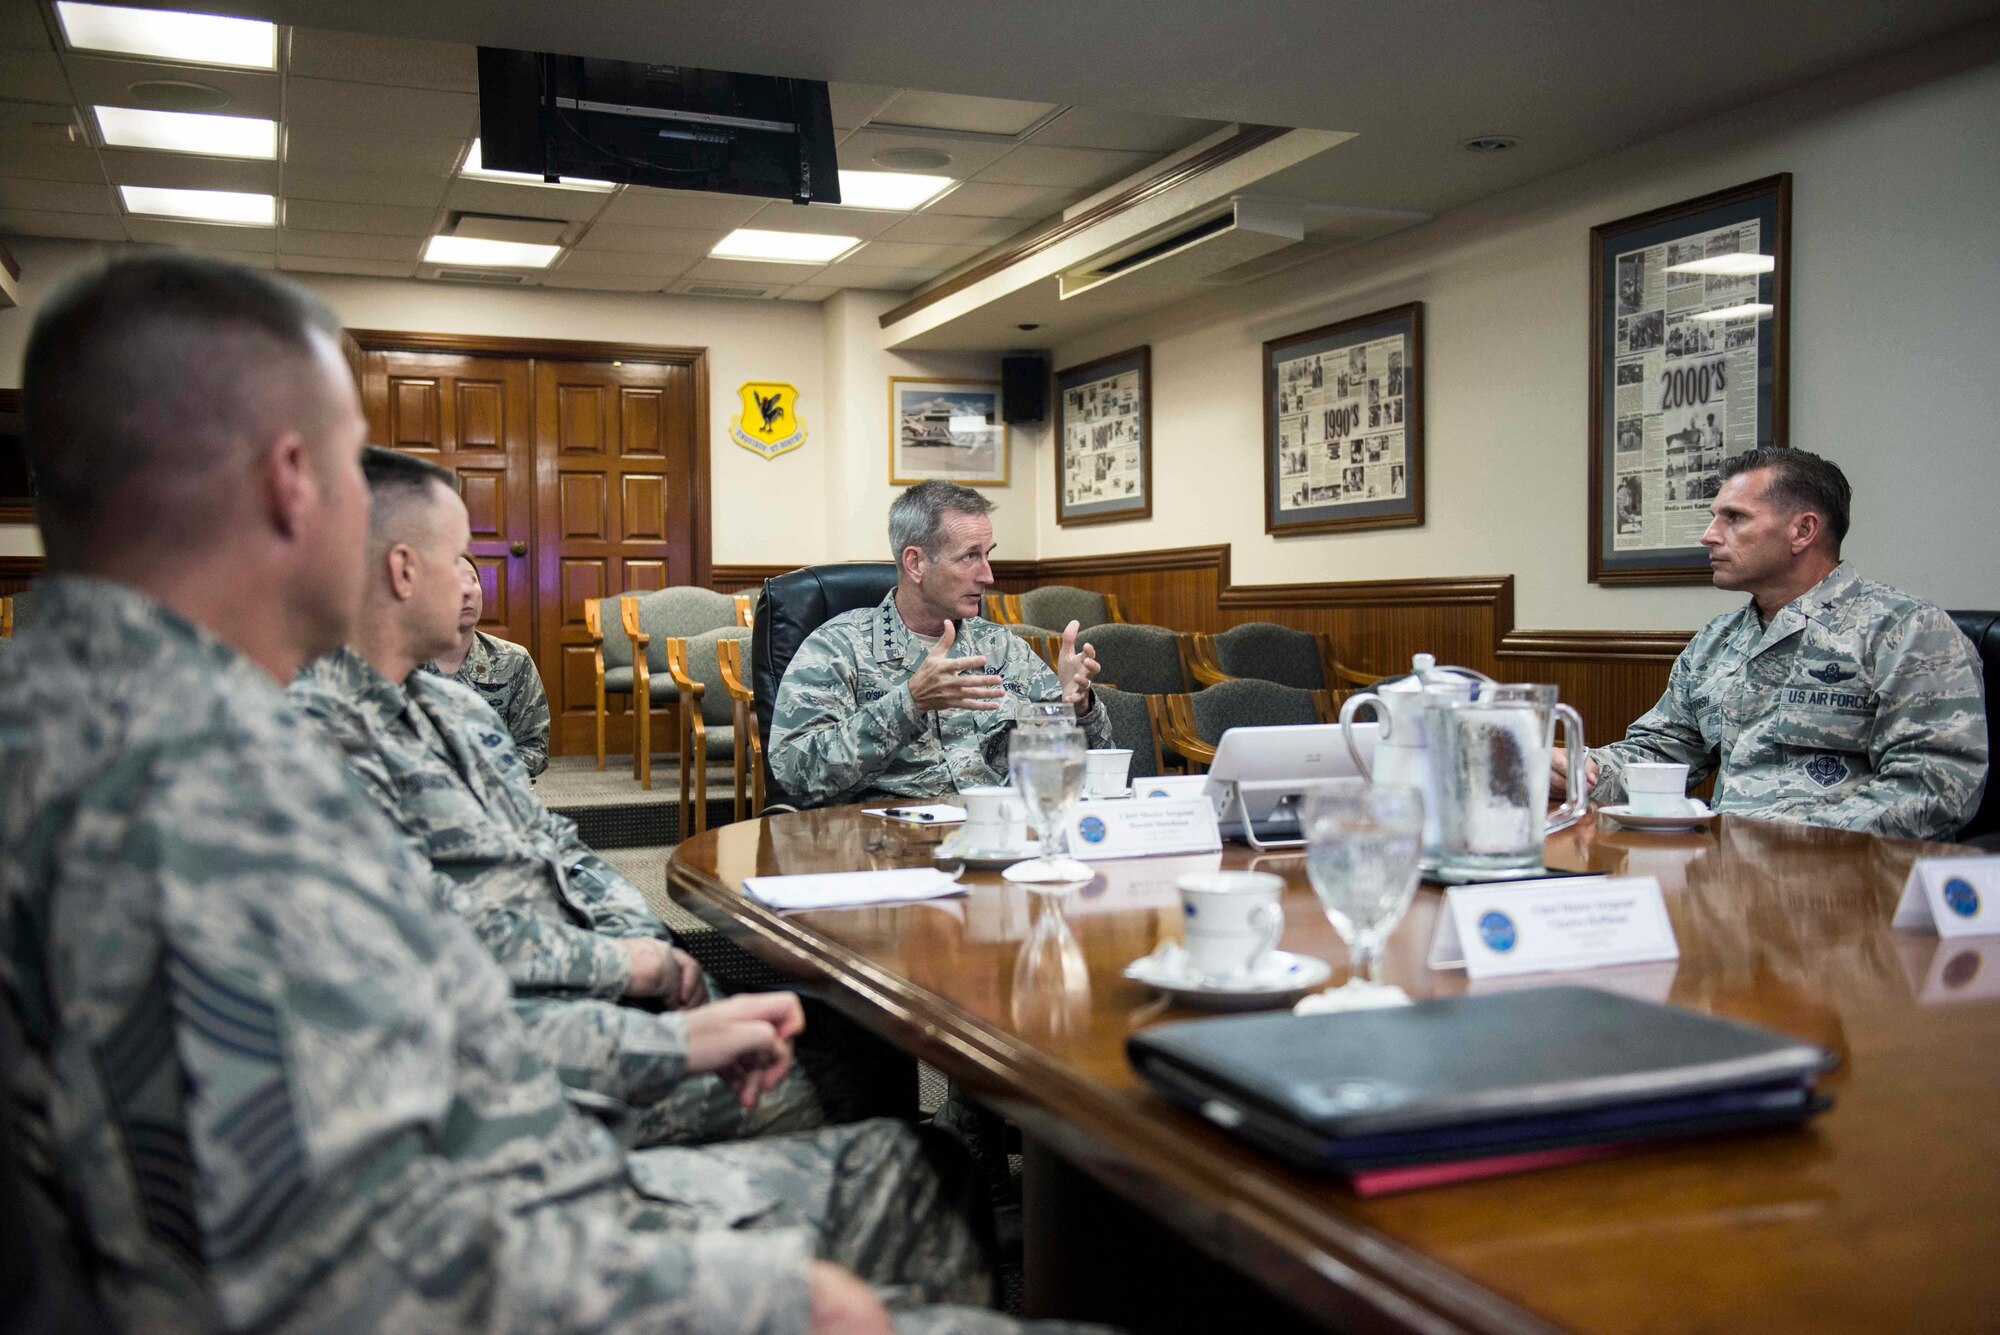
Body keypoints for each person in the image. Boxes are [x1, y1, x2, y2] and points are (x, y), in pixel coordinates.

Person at [0, 252, 1104, 1335]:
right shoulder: (188, 789)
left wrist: (656, 1036)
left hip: (522, 1164)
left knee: (903, 1165)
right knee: (911, 1182)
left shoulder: (125, 721)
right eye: (351, 469)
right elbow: (339, 1263)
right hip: (522, 1228)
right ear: (294, 482)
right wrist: (768, 1299)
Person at [293, 448, 827, 1147]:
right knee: (819, 1083)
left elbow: (557, 848)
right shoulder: (308, 737)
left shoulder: (457, 710)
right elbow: (425, 941)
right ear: (402, 570)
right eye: (458, 557)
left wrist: (645, 943)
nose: (471, 581)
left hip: (586, 984)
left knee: (834, 1042)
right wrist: (627, 968)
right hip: (492, 1048)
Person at [1556, 448, 1986, 840]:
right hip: (1723, 880)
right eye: (1713, 517)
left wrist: (1781, 844)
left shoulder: (1905, 630)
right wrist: (1582, 770)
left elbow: (1934, 786)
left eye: (1734, 518)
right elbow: (1661, 753)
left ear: (1803, 531)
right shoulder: (1715, 641)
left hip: (1848, 888)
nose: (1709, 535)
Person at [771, 481, 1111, 806]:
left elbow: (1093, 765)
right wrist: (909, 704)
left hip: (998, 830)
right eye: (969, 557)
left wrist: (1076, 710)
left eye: (987, 555)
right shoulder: (838, 648)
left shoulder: (1000, 648)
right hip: (884, 844)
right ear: (915, 563)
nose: (987, 575)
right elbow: (794, 773)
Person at [424, 552, 551, 777]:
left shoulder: (513, 661)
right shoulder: (398, 666)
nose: (467, 592)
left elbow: (534, 748)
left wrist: (484, 773)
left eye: (472, 580)